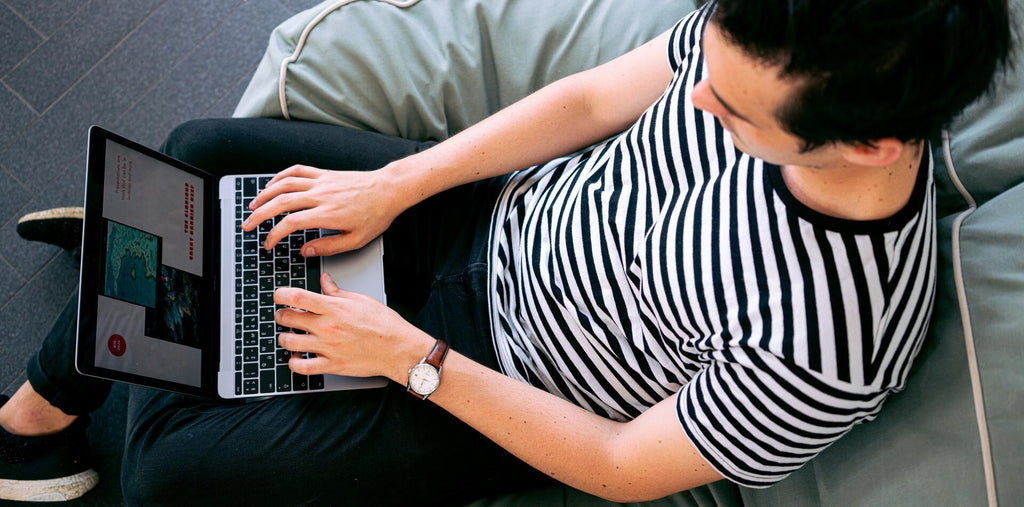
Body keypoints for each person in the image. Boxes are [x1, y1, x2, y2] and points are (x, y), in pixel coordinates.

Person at [0, 0, 1013, 504]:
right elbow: (583, 102)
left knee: (165, 475)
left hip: (495, 378)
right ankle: (89, 364)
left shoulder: (824, 350)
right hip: (488, 214)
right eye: (703, 70)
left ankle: (67, 379)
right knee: (200, 155)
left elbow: (619, 464)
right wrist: (399, 184)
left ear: (873, 144)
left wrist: (406, 357)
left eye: (731, 110)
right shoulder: (769, 36)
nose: (695, 100)